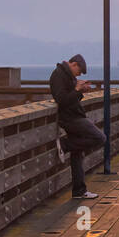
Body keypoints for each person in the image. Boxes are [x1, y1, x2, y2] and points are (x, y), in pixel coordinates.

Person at [49, 53, 104, 199]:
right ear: (74, 64)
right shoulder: (58, 75)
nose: (78, 75)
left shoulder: (68, 75)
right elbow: (62, 100)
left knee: (77, 154)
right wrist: (77, 90)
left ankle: (79, 191)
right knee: (100, 138)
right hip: (70, 118)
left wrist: (81, 91)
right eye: (78, 72)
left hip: (75, 115)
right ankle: (64, 144)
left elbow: (72, 98)